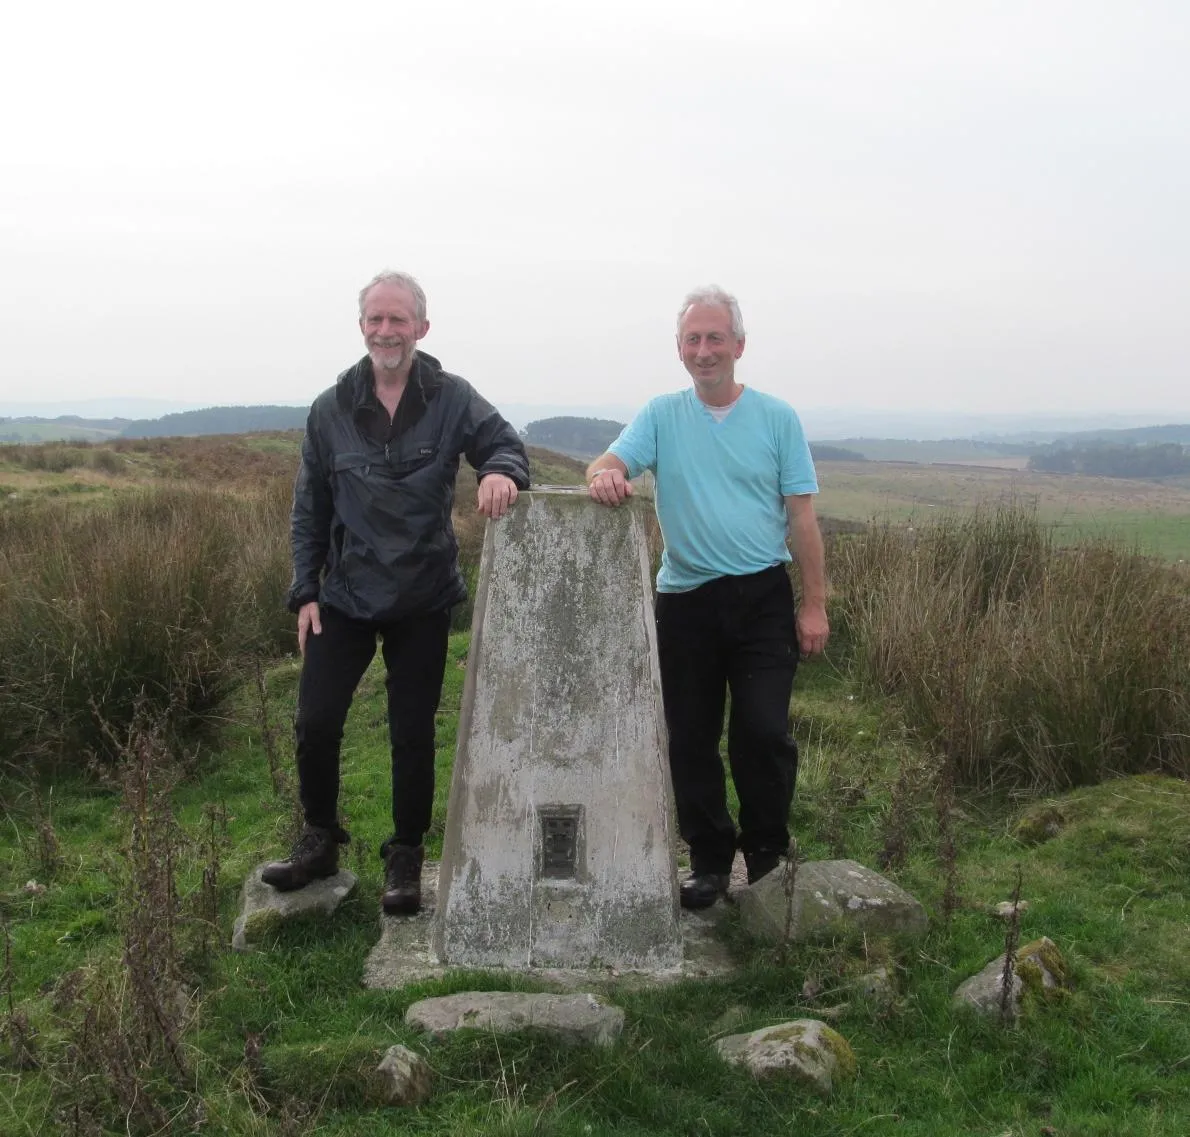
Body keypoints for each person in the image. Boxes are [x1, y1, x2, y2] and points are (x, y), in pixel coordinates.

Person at [262, 270, 529, 915]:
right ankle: (319, 838)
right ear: (362, 329)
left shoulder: (451, 396)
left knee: (412, 734)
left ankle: (405, 855)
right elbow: (309, 509)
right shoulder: (331, 409)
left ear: (421, 329)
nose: (387, 331)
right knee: (315, 722)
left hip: (422, 599)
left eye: (398, 320)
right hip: (344, 598)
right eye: (375, 320)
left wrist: (498, 471)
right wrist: (305, 594)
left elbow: (504, 443)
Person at [586, 285, 828, 909]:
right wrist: (608, 473)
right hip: (686, 601)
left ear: (739, 346)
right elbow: (607, 461)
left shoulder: (777, 418)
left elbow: (802, 518)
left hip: (762, 599)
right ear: (680, 350)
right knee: (690, 736)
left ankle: (768, 857)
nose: (704, 350)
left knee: (763, 730)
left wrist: (814, 605)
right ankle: (710, 861)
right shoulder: (661, 415)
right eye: (693, 339)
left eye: (715, 337)